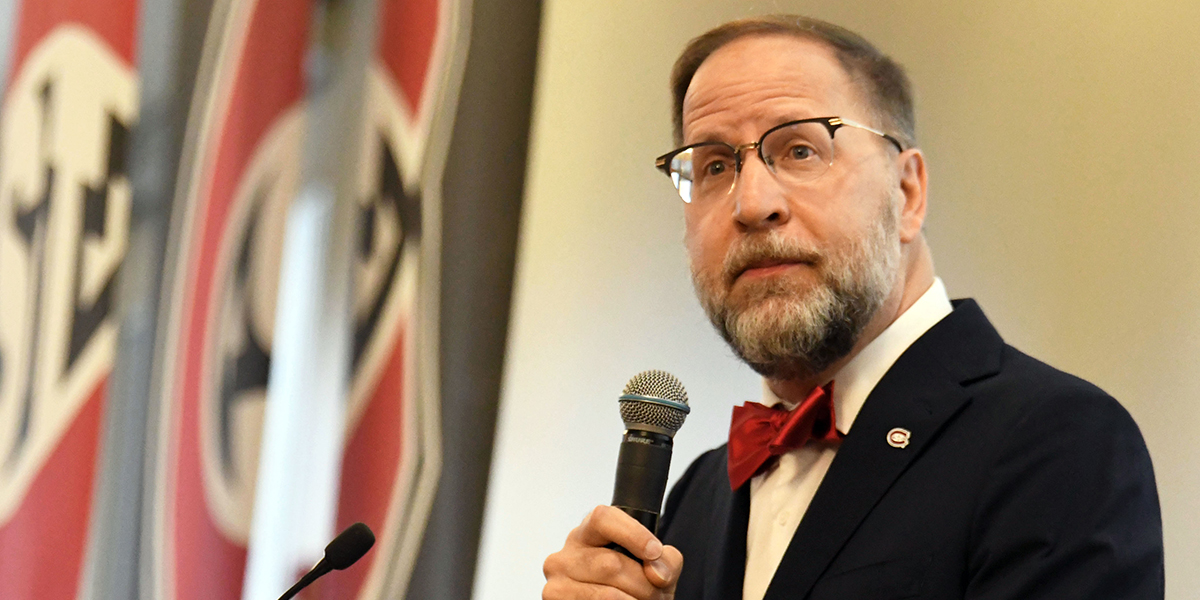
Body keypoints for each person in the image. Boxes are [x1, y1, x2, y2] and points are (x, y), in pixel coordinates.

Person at [541, 14, 1163, 600]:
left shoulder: (1058, 441)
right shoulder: (699, 495)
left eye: (800, 150)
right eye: (713, 166)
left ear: (907, 191)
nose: (751, 203)